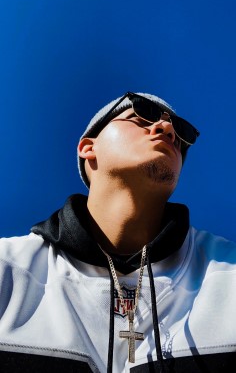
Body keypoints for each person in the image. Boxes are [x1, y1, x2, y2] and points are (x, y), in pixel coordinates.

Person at [0, 91, 235, 373]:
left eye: (180, 133)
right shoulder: (8, 270)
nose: (167, 129)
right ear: (89, 147)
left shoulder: (228, 276)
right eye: (140, 118)